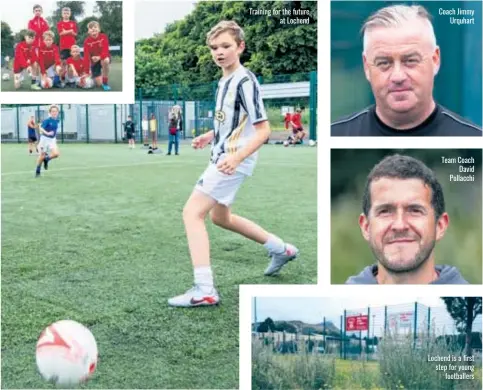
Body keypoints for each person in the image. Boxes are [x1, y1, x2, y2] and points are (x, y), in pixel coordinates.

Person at [168, 21, 299, 308]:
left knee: (192, 213)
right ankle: (282, 249)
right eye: (214, 48)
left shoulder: (245, 81)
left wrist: (237, 156)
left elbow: (263, 130)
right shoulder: (223, 82)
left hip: (232, 161)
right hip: (222, 156)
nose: (219, 52)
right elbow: (231, 124)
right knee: (220, 218)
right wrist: (208, 135)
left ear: (240, 47)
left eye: (226, 46)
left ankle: (204, 290)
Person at [331, 4, 481, 136]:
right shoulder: (335, 134)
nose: (398, 76)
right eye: (384, 62)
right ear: (366, 67)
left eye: (410, 61)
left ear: (435, 60)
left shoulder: (474, 137)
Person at [345, 154, 469, 284]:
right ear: (366, 227)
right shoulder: (342, 300)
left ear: (440, 226)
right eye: (385, 211)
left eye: (415, 210)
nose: (400, 225)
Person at [83, 21, 111, 91]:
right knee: (98, 83)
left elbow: (106, 51)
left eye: (95, 27)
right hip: (94, 62)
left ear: (99, 29)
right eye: (91, 28)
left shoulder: (103, 37)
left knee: (106, 60)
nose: (93, 29)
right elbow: (86, 57)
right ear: (88, 31)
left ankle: (105, 82)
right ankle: (94, 75)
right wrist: (86, 71)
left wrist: (99, 57)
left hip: (103, 58)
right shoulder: (86, 41)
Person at [35, 105, 60, 178]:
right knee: (42, 156)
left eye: (55, 111)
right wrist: (47, 133)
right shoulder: (47, 120)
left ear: (58, 112)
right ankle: (38, 171)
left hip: (52, 140)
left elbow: (54, 130)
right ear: (50, 112)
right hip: (44, 140)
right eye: (52, 111)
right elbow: (41, 129)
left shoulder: (57, 120)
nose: (54, 113)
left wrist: (54, 137)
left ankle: (46, 159)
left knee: (56, 154)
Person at [57, 7, 78, 85]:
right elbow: (61, 33)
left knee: (71, 63)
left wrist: (66, 31)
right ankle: (62, 79)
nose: (66, 14)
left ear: (70, 14)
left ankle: (71, 80)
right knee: (63, 63)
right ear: (62, 14)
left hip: (72, 46)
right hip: (63, 46)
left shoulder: (73, 23)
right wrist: (70, 30)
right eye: (64, 13)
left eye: (67, 13)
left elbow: (75, 34)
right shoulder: (59, 23)